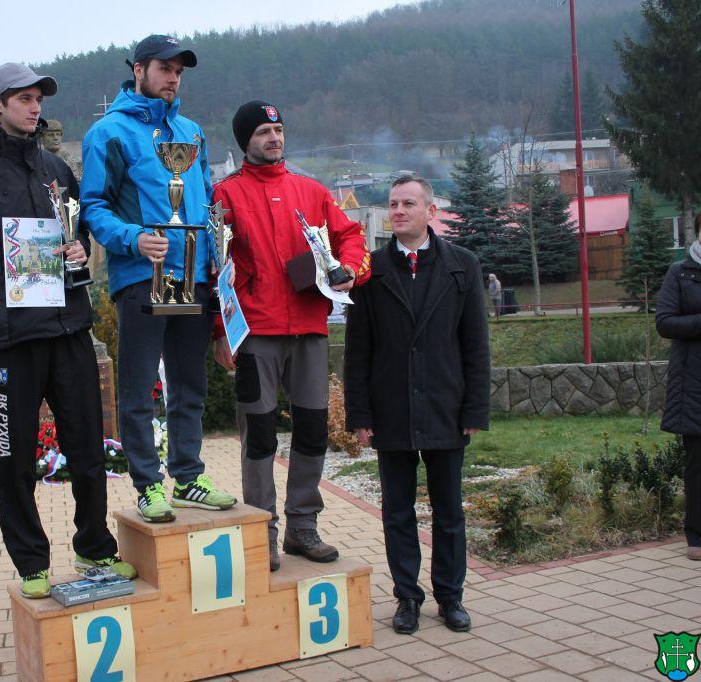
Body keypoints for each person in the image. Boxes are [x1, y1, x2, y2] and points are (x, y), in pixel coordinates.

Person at [0, 63, 135, 599]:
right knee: (14, 461)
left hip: (69, 331)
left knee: (88, 451)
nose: (35, 107)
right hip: (9, 345)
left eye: (39, 99)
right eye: (23, 98)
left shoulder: (56, 169)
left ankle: (94, 547)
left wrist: (77, 253)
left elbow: (77, 235)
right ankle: (31, 563)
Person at [81, 35, 236, 522]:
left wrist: (215, 264)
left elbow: (206, 202)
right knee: (138, 387)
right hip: (141, 274)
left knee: (190, 385)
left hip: (194, 275)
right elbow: (93, 207)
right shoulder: (108, 132)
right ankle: (148, 485)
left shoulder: (191, 132)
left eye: (179, 72)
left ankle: (188, 478)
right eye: (165, 69)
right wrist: (133, 239)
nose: (173, 78)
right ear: (139, 70)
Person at [212, 101, 370, 571]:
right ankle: (262, 532)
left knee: (313, 430)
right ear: (246, 140)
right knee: (259, 436)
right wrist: (221, 332)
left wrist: (350, 270)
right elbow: (212, 267)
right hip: (255, 333)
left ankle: (303, 527)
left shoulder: (312, 191)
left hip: (309, 329)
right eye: (263, 131)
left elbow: (352, 235)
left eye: (278, 129)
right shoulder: (224, 195)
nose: (274, 138)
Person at [344, 176, 490, 635]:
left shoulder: (462, 266)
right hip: (391, 408)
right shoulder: (370, 270)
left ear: (431, 211)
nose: (399, 211)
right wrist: (360, 414)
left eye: (409, 203)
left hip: (446, 405)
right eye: (393, 204)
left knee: (449, 512)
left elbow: (476, 345)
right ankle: (407, 597)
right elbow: (357, 349)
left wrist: (474, 410)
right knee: (397, 512)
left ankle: (451, 597)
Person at [655, 225, 701, 562]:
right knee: (698, 462)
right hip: (694, 383)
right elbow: (665, 322)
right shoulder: (681, 272)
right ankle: (697, 535)